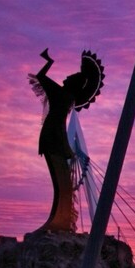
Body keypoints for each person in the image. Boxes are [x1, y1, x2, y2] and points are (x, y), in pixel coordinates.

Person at [29, 48, 106, 232]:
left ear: (74, 84)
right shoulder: (67, 97)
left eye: (70, 77)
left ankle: (60, 221)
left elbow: (40, 77)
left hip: (53, 138)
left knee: (62, 182)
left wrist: (49, 61)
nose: (65, 78)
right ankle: (60, 220)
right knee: (63, 183)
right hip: (56, 139)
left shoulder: (62, 95)